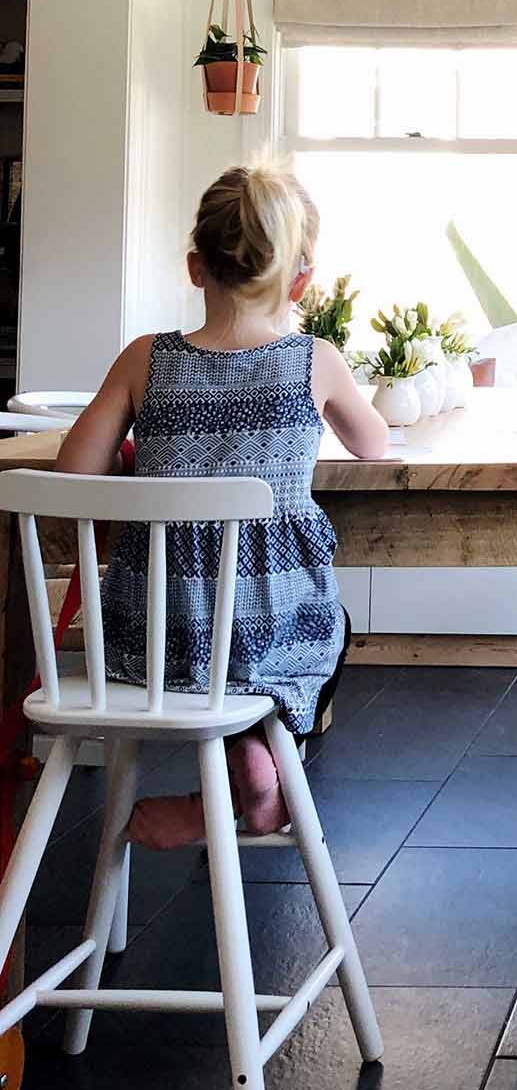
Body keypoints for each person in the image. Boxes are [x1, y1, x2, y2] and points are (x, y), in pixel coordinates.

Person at [57, 158, 390, 848]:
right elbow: (373, 445)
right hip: (273, 636)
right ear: (301, 280)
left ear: (193, 267)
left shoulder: (144, 359)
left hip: (151, 638)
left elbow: (73, 473)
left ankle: (242, 780)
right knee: (306, 637)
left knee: (218, 639)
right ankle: (250, 780)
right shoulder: (314, 360)